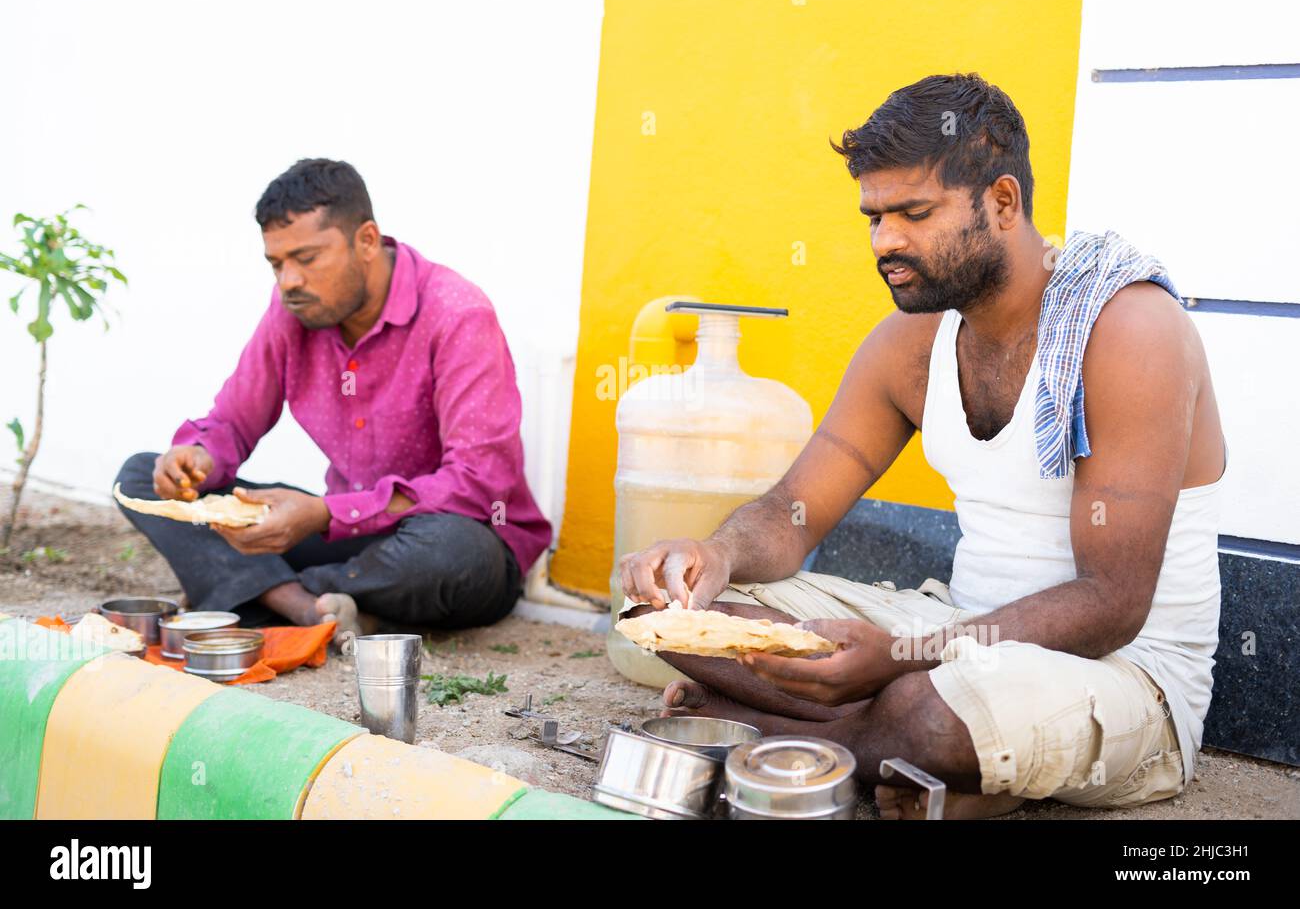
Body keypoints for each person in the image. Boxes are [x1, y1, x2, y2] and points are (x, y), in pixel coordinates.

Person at [618, 73, 1227, 819]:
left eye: (914, 213)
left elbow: (1112, 605)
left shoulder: (1128, 332)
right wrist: (712, 557)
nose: (886, 241)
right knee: (666, 612)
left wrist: (907, 659)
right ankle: (906, 759)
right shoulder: (911, 343)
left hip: (1122, 674)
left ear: (1002, 203)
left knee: (931, 713)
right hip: (954, 632)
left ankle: (775, 729)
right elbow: (790, 514)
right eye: (875, 217)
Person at [116, 158, 551, 635]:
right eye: (276, 264)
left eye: (306, 258)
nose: (289, 282)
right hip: (346, 536)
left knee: (452, 552)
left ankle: (258, 592)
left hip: (450, 536)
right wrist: (195, 458)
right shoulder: (295, 309)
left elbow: (476, 484)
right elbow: (233, 422)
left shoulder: (457, 314)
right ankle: (308, 607)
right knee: (140, 475)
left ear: (366, 240)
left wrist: (326, 513)